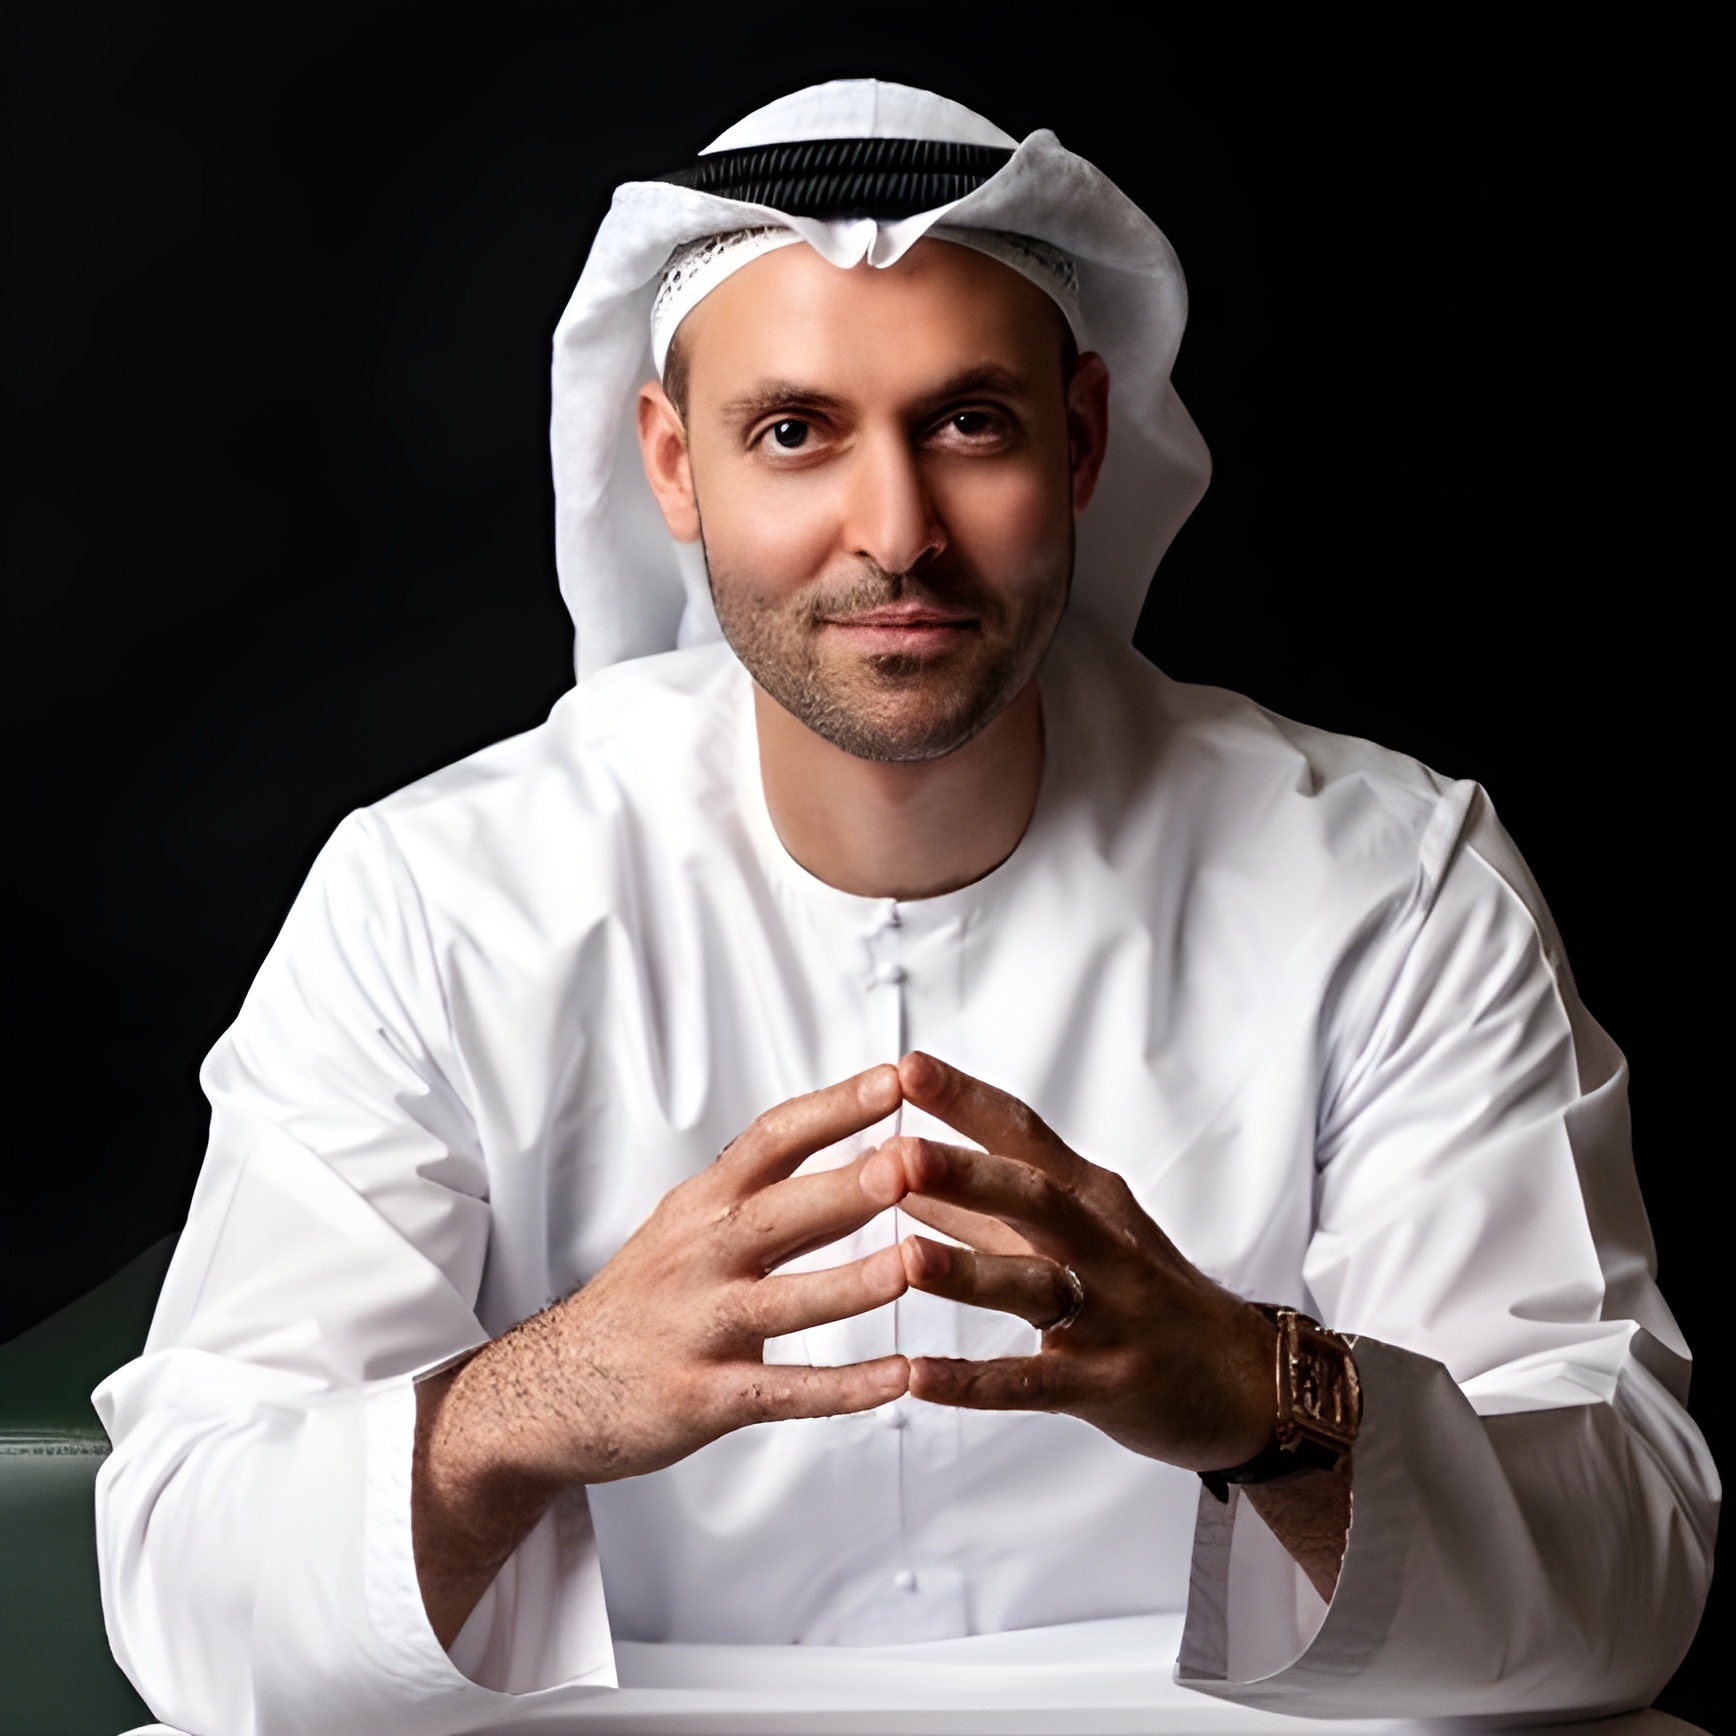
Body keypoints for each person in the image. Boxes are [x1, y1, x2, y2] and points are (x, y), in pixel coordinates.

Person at [95, 79, 1715, 1733]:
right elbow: (189, 1577)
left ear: (1080, 440)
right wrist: (548, 1394)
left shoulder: (1390, 877)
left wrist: (1257, 1395)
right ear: (673, 462)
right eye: (795, 430)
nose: (896, 533)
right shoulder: (438, 894)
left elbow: (1623, 1581)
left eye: (969, 423)